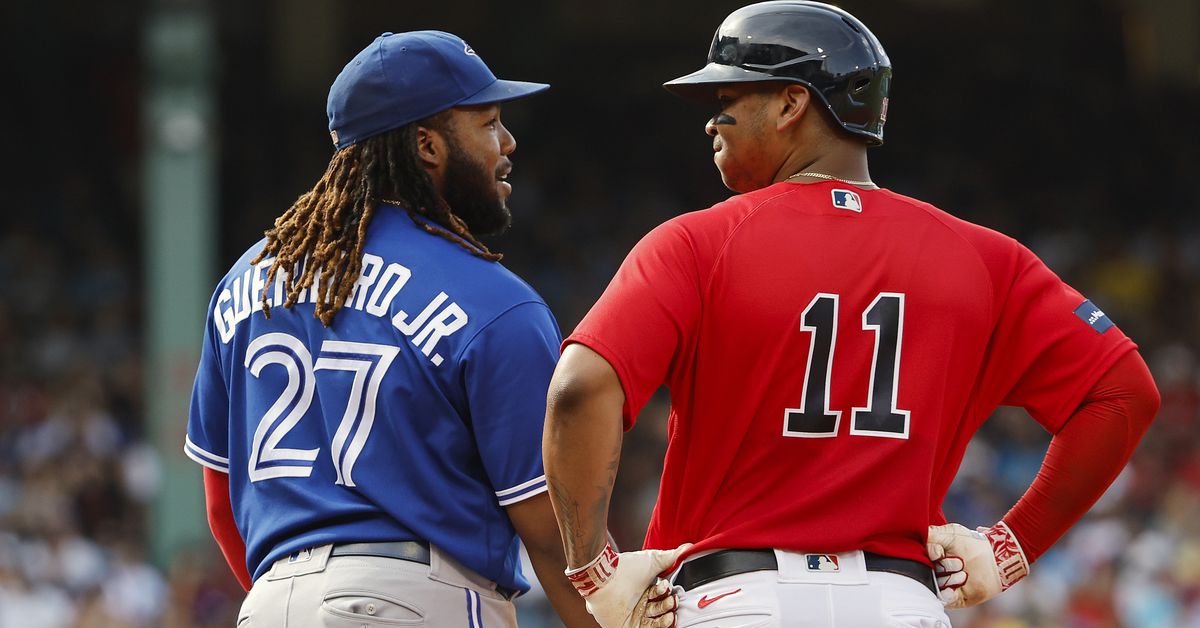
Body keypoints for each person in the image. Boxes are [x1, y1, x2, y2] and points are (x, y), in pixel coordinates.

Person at [542, 2, 1161, 627]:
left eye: (727, 98)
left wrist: (593, 570)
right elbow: (1124, 392)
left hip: (737, 601)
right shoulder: (984, 257)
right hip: (902, 605)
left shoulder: (697, 243)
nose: (711, 122)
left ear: (791, 104)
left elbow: (578, 388)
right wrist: (1015, 544)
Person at [184, 30, 673, 628]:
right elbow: (554, 534)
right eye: (488, 122)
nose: (508, 142)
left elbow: (222, 503)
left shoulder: (245, 282)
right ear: (427, 144)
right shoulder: (491, 298)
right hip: (414, 598)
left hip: (270, 601)